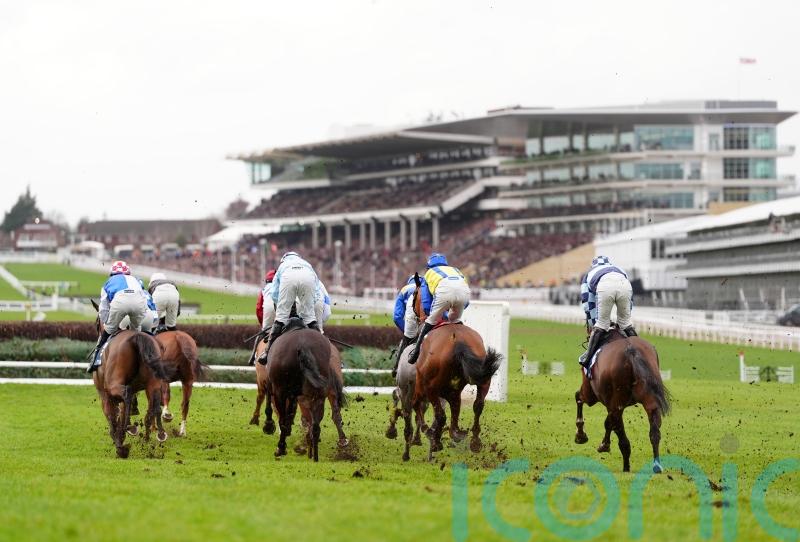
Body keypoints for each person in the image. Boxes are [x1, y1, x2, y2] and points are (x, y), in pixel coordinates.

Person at [87, 261, 149, 372]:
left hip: (120, 302)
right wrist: (140, 315)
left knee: (108, 330)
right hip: (139, 303)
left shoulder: (108, 282)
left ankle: (95, 361)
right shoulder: (135, 280)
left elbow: (103, 308)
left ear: (112, 273)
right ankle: (145, 359)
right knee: (136, 332)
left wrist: (107, 323)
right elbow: (144, 298)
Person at [408, 253, 470, 365]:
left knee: (431, 320)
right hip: (464, 295)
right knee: (454, 320)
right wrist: (460, 307)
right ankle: (466, 347)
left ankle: (415, 352)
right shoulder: (456, 270)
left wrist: (429, 314)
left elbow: (426, 301)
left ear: (429, 267)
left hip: (444, 293)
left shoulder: (429, 273)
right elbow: (466, 296)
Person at [579, 255, 636, 369]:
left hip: (605, 286)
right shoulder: (619, 269)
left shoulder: (589, 274)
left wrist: (593, 323)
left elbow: (587, 302)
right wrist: (625, 319)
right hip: (625, 285)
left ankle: (587, 357)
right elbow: (630, 300)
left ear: (593, 265)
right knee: (626, 324)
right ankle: (640, 352)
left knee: (601, 324)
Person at [261, 251, 320, 362]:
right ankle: (321, 346)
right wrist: (308, 308)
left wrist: (282, 309)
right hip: (308, 277)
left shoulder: (282, 265)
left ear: (283, 259)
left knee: (281, 318)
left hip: (288, 277)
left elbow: (274, 293)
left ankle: (267, 352)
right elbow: (317, 290)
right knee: (310, 318)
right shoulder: (307, 264)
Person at [391, 275, 418, 375]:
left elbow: (397, 317)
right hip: (429, 320)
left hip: (413, 322)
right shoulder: (428, 287)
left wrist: (406, 331)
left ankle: (396, 368)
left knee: (405, 341)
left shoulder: (405, 290)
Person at [248, 269, 276, 366]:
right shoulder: (284, 285)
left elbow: (259, 309)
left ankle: (252, 358)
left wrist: (263, 325)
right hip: (284, 310)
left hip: (269, 310)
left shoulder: (265, 289)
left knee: (263, 331)